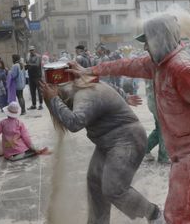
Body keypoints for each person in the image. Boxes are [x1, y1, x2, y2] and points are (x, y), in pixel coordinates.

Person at [66, 14, 190, 223]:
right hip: (181, 153)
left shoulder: (182, 69)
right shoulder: (158, 63)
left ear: (162, 40)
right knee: (183, 216)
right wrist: (89, 70)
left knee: (178, 217)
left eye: (148, 42)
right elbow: (125, 65)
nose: (145, 48)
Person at [40, 77, 164, 224]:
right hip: (108, 142)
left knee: (113, 188)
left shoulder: (84, 96)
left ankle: (154, 214)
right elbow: (112, 86)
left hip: (128, 140)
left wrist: (53, 100)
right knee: (95, 181)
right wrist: (125, 97)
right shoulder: (82, 84)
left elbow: (75, 122)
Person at [143, 80, 169, 164]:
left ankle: (145, 149)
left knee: (160, 129)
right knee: (165, 129)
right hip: (158, 101)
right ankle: (163, 157)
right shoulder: (157, 69)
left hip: (155, 99)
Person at [26, 46, 43, 110]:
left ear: (34, 50)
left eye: (32, 50)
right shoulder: (28, 57)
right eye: (30, 50)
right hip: (30, 76)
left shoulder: (38, 56)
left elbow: (37, 64)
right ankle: (33, 104)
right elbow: (27, 65)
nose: (31, 51)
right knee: (32, 91)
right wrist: (25, 66)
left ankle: (41, 104)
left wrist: (29, 64)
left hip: (37, 76)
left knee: (39, 91)